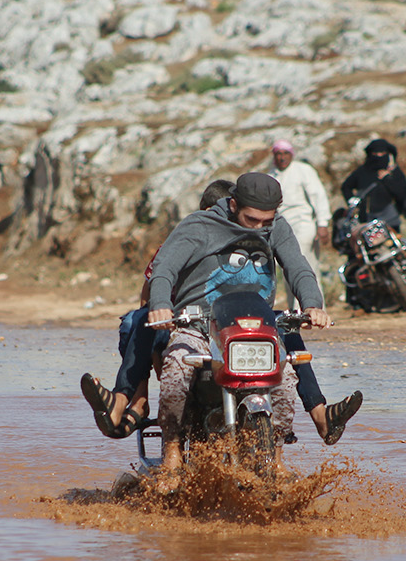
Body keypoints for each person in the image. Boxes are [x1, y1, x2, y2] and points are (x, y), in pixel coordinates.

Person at [81, 180, 361, 447]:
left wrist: (313, 305)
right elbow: (163, 269)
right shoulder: (198, 225)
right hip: (199, 326)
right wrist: (160, 305)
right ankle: (171, 448)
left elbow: (298, 267)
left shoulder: (276, 227)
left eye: (267, 221)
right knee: (175, 368)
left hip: (251, 326)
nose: (260, 228)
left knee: (285, 374)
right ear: (234, 204)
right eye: (252, 220)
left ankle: (280, 451)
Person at [268, 139, 330, 308]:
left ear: (291, 155)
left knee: (302, 265)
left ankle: (310, 308)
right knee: (286, 267)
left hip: (303, 223)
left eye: (285, 153)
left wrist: (322, 223)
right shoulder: (271, 174)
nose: (282, 158)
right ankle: (295, 310)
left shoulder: (303, 170)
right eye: (278, 154)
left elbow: (318, 195)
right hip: (281, 226)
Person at [340, 137, 406, 232]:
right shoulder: (362, 172)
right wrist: (352, 201)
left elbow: (402, 194)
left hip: (390, 219)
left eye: (382, 154)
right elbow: (346, 186)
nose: (379, 157)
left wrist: (387, 179)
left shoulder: (394, 172)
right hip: (366, 220)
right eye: (375, 154)